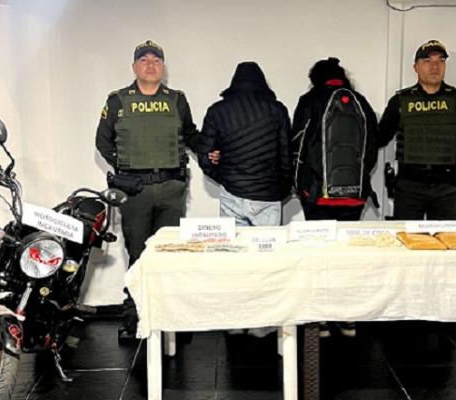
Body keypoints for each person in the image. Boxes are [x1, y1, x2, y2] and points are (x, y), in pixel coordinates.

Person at [96, 40, 200, 341]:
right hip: (136, 191)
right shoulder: (118, 100)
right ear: (134, 67)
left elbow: (190, 133)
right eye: (144, 60)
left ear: (163, 67)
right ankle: (135, 316)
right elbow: (103, 142)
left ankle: (171, 320)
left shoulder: (177, 100)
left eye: (156, 60)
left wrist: (209, 149)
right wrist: (126, 169)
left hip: (171, 189)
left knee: (170, 255)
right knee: (138, 254)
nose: (150, 64)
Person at [291, 57, 379, 337]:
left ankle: (319, 321)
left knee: (318, 258)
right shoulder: (361, 103)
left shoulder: (310, 100)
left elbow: (298, 145)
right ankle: (347, 318)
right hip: (353, 198)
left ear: (314, 78)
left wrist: (299, 185)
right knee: (346, 259)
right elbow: (372, 148)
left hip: (318, 196)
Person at [378, 40, 456, 220]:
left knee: (444, 237)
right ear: (416, 67)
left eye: (440, 61)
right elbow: (381, 137)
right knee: (408, 237)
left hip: (446, 187)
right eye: (427, 61)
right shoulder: (401, 100)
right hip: (409, 186)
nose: (435, 66)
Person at [197, 62, 292, 228]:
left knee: (235, 244)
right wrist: (281, 189)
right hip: (267, 194)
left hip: (232, 194)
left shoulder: (217, 111)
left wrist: (226, 179)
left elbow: (205, 156)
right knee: (268, 244)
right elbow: (286, 156)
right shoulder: (277, 110)